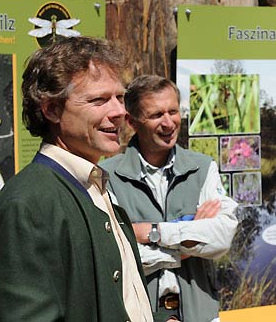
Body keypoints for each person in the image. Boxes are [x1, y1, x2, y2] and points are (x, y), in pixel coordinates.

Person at [0, 36, 153, 322]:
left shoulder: (94, 184)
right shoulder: (27, 204)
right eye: (99, 99)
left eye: (120, 97)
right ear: (51, 109)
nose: (119, 112)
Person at [100, 74, 238, 322]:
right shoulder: (108, 177)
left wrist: (153, 232)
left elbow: (222, 237)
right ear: (132, 122)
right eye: (156, 115)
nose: (169, 123)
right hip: (138, 316)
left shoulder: (203, 168)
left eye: (173, 111)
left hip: (201, 315)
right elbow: (115, 256)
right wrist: (186, 246)